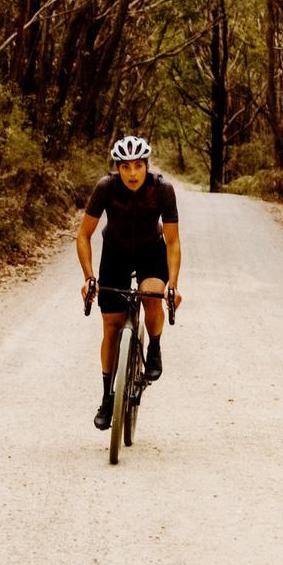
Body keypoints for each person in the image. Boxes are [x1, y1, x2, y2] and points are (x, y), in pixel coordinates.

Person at [78, 135, 181, 430]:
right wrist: (89, 278)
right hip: (115, 254)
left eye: (138, 166)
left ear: (146, 167)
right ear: (118, 169)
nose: (132, 173)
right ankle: (108, 397)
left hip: (151, 252)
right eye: (126, 167)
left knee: (151, 294)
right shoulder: (105, 188)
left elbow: (172, 242)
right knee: (111, 325)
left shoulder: (162, 190)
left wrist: (172, 284)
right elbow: (83, 235)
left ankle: (154, 347)